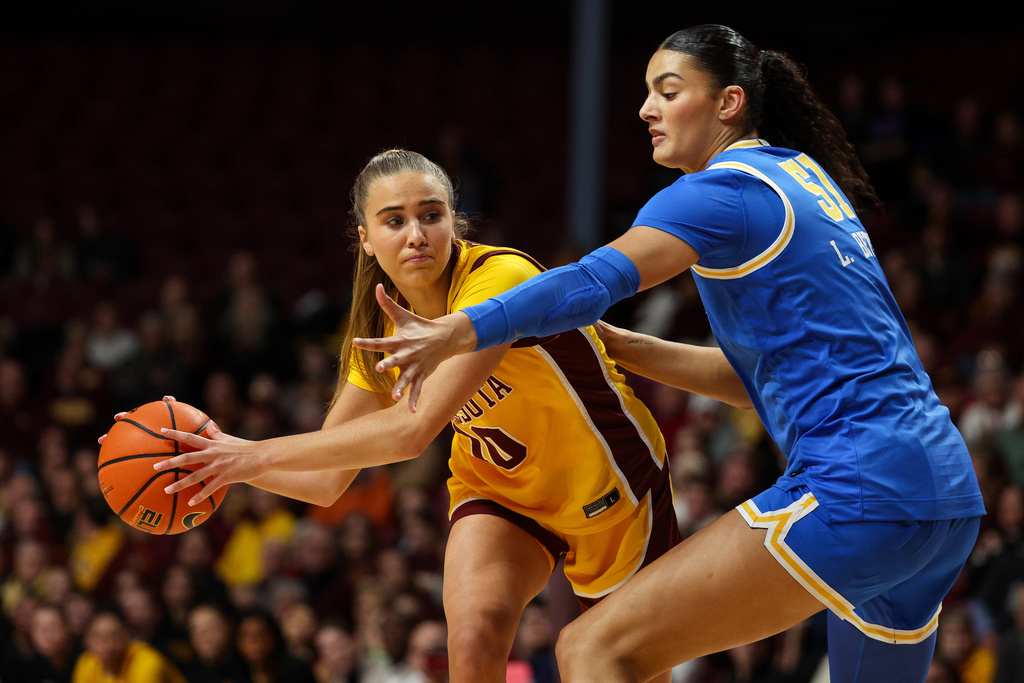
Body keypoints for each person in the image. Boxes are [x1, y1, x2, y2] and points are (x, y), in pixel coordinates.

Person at [350, 24, 986, 683]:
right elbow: (753, 381)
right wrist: (621, 349)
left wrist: (458, 330)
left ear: (729, 103)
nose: (646, 109)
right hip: (944, 491)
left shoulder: (719, 191)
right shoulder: (803, 176)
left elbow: (592, 281)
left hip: (859, 484)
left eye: (668, 90)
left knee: (591, 648)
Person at [107, 149, 679, 682]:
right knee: (475, 637)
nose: (416, 234)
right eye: (395, 220)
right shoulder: (383, 329)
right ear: (365, 239)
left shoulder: (498, 280)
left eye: (430, 215)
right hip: (501, 488)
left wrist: (250, 453)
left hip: (609, 480)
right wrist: (223, 460)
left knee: (619, 665)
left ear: (454, 219)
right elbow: (326, 479)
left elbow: (412, 431)